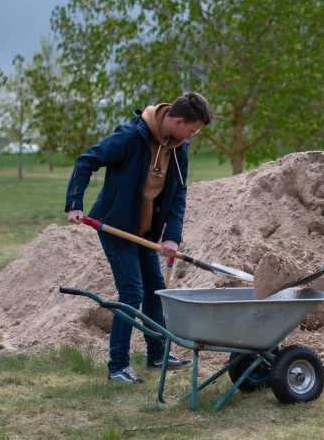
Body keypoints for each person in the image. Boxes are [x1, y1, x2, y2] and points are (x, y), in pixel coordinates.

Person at [65, 92, 213, 384]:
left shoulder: (178, 148)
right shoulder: (131, 136)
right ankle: (118, 366)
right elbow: (86, 161)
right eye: (192, 130)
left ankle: (157, 355)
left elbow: (179, 193)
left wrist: (172, 236)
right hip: (116, 226)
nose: (192, 136)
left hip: (146, 233)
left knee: (156, 291)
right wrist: (74, 203)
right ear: (179, 120)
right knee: (131, 294)